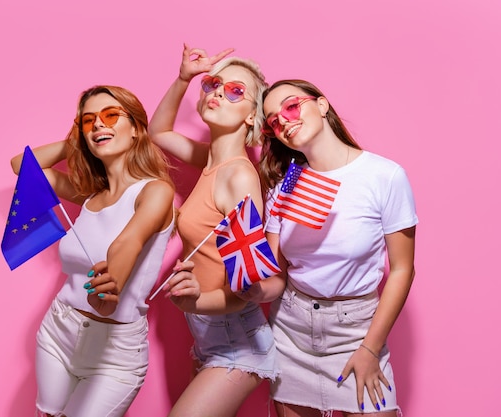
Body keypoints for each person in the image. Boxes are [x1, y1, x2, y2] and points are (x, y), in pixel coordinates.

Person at [242, 79, 418, 416]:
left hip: (357, 330)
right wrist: (251, 290)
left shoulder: (384, 176)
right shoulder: (288, 183)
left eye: (292, 106)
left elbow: (402, 269)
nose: (284, 121)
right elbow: (277, 275)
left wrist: (370, 348)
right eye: (274, 121)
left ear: (322, 105)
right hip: (292, 330)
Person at [10, 85, 184, 417]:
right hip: (59, 331)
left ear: (135, 128)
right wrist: (75, 138)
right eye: (89, 121)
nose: (99, 126)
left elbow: (127, 242)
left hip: (115, 351)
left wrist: (108, 290)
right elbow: (21, 166)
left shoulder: (156, 191)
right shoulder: (89, 195)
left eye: (110, 116)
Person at [149, 45, 277, 417]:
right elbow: (158, 132)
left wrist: (194, 302)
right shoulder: (209, 160)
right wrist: (185, 78)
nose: (219, 92)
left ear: (252, 117)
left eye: (236, 90)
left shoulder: (238, 177)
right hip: (207, 335)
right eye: (213, 84)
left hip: (237, 339)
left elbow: (246, 290)